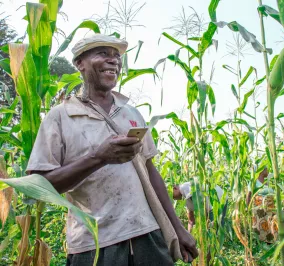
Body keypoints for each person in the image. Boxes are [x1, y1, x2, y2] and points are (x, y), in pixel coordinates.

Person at [26, 34, 198, 265]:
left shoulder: (131, 114)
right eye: (103, 54)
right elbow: (38, 187)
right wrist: (99, 157)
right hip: (95, 243)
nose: (113, 61)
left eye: (117, 56)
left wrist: (177, 227)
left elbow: (150, 172)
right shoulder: (60, 117)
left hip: (147, 234)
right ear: (80, 64)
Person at [247, 167, 278, 244]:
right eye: (266, 169)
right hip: (259, 210)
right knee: (261, 227)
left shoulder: (269, 181)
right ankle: (260, 243)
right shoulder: (254, 182)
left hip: (270, 209)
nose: (268, 171)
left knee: (271, 224)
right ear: (262, 170)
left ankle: (271, 241)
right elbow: (249, 195)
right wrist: (248, 208)